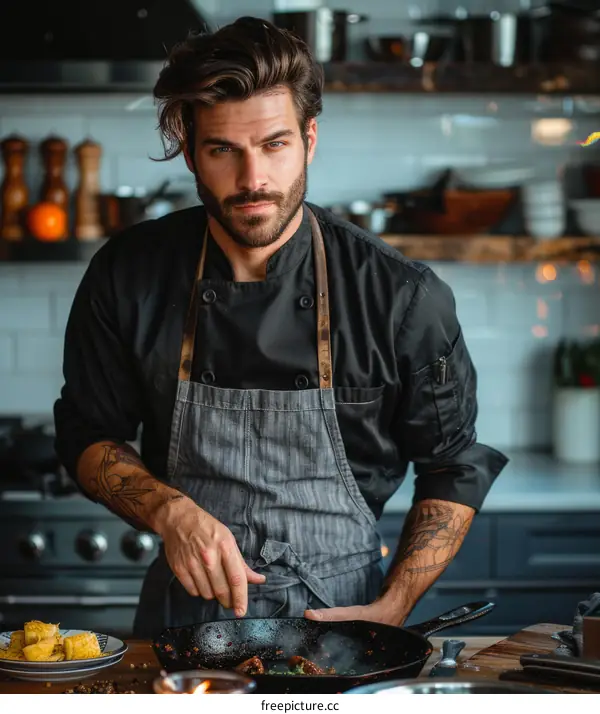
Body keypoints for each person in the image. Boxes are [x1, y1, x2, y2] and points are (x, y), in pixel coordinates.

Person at [53, 16, 508, 638]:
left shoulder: (401, 295)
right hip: (183, 628)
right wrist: (169, 511)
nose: (252, 181)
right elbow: (86, 433)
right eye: (223, 150)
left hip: (342, 627)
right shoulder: (129, 274)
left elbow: (451, 463)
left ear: (309, 139)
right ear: (189, 150)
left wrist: (396, 604)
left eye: (274, 145)